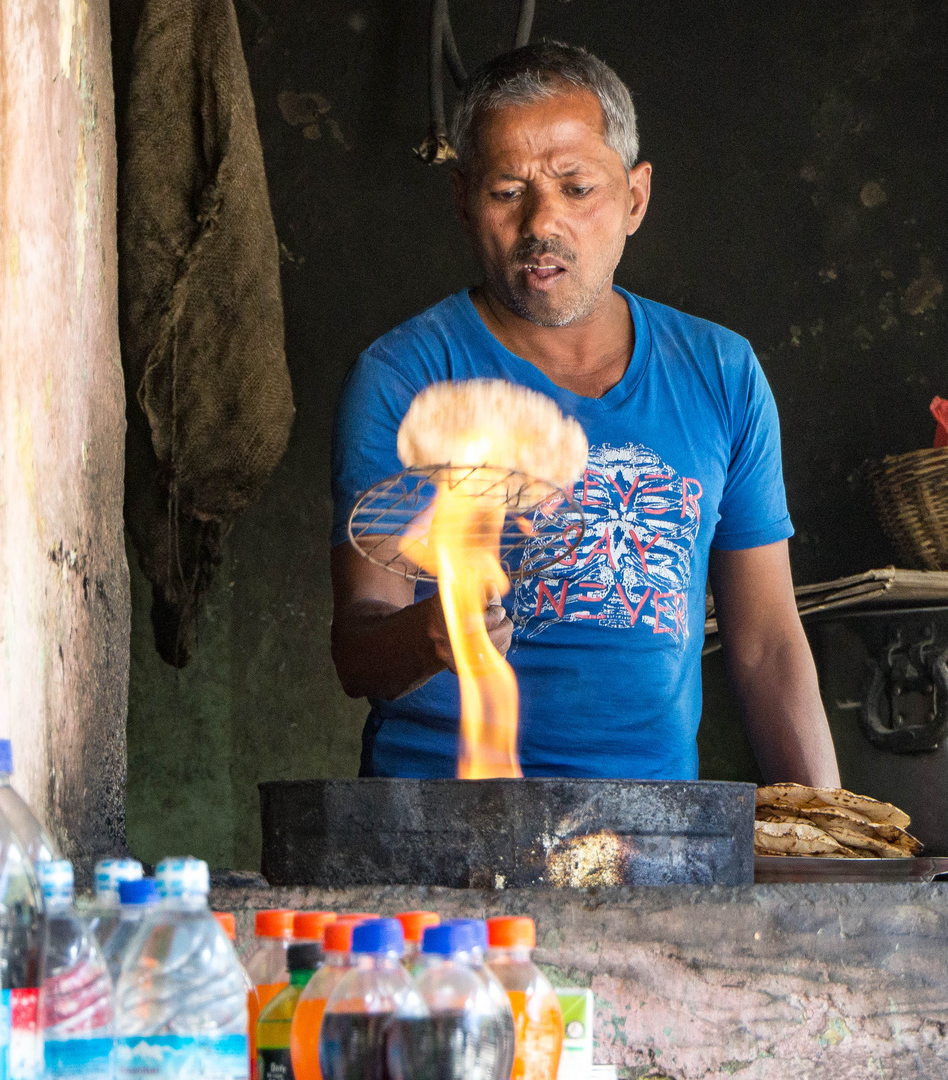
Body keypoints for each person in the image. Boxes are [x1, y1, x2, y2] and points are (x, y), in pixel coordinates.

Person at [329, 40, 839, 786]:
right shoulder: (404, 377)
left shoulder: (720, 372)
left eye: (576, 189)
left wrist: (838, 840)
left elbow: (765, 644)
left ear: (635, 199)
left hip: (652, 834)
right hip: (440, 832)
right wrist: (430, 635)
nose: (543, 222)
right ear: (465, 203)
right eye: (508, 191)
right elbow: (357, 650)